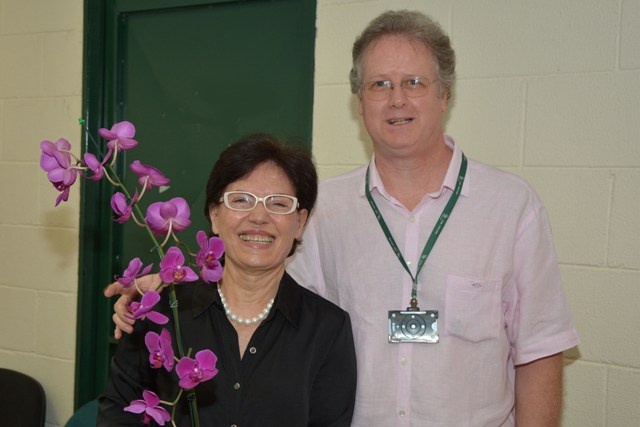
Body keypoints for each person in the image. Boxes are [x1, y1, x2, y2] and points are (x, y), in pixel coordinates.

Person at [108, 10, 579, 426]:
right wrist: (168, 288)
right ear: (360, 102)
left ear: (445, 95)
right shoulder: (322, 208)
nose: (397, 99)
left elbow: (539, 352)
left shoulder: (510, 206)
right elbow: (254, 278)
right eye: (379, 84)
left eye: (414, 82)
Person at [99, 134, 357, 426]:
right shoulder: (162, 310)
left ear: (300, 223)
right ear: (214, 216)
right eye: (241, 200)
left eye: (278, 203)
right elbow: (118, 413)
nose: (259, 216)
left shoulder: (327, 329)